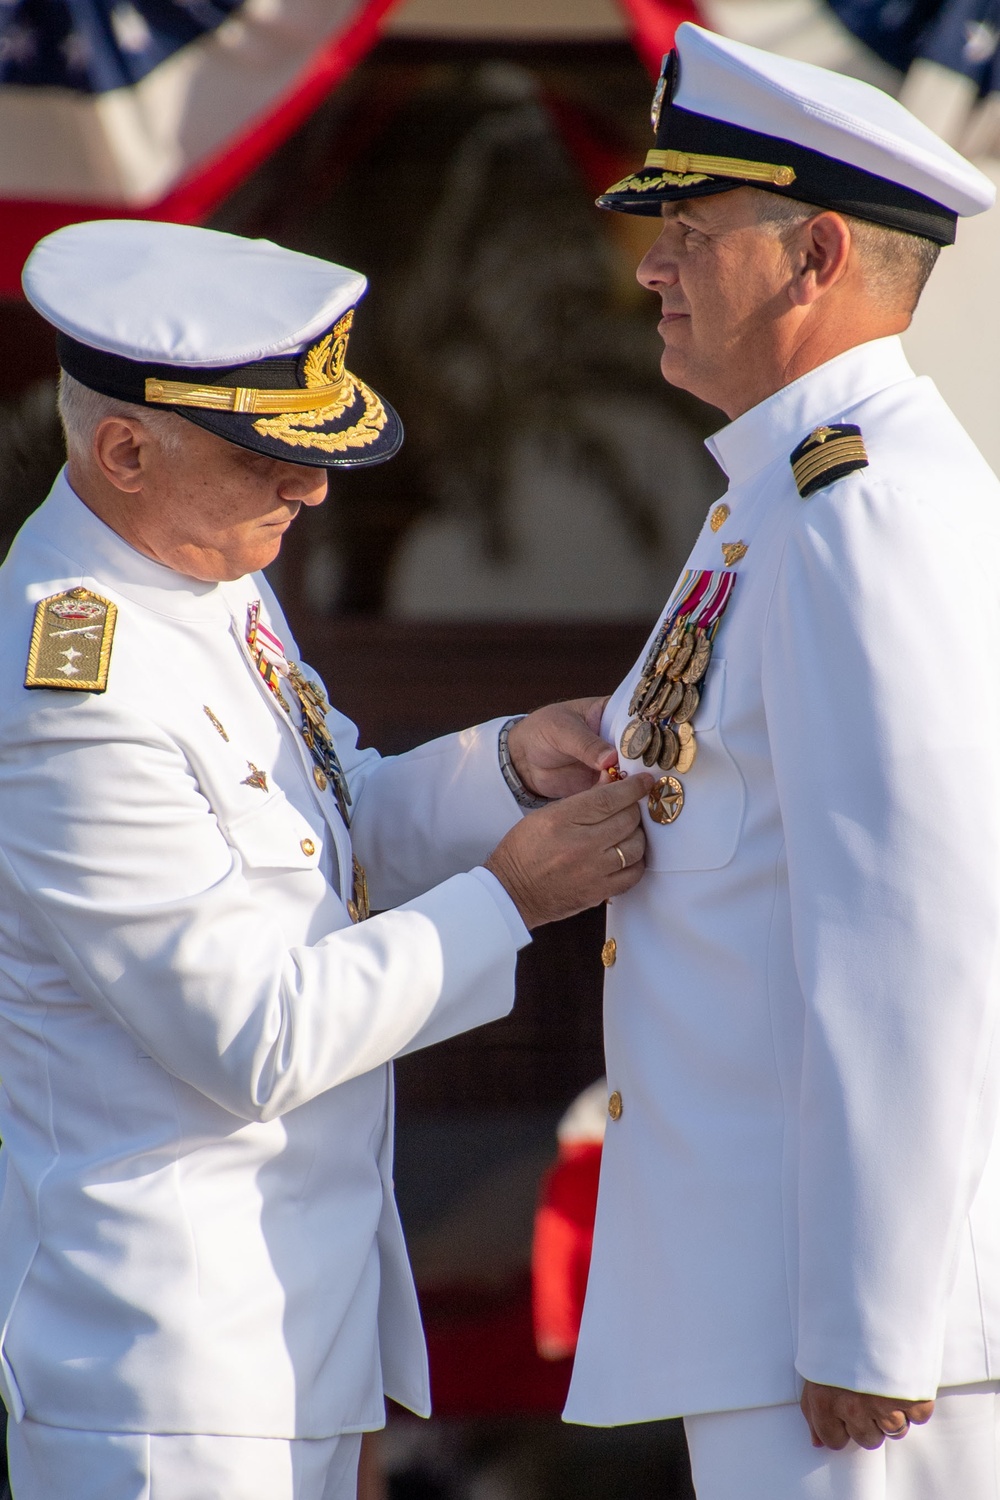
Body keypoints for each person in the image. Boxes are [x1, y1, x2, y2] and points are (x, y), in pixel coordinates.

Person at [0, 219, 652, 1500]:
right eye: (272, 460)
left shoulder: (200, 566)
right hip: (167, 1371)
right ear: (125, 449)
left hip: (291, 1332)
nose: (311, 491)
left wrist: (513, 760)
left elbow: (329, 819)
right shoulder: (70, 689)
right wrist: (511, 899)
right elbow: (252, 1038)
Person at [561, 22, 1000, 1500]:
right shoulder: (776, 496)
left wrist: (872, 1317)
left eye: (689, 230)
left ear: (816, 258)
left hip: (857, 1345)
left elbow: (915, 925)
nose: (652, 269)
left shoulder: (860, 512)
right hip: (778, 1304)